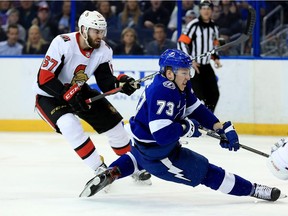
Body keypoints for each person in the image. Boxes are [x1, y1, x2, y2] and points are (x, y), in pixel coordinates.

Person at [79, 49, 283, 202]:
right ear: (169, 73)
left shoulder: (178, 85)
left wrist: (219, 126)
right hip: (160, 153)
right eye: (184, 72)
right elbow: (163, 135)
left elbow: (197, 109)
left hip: (143, 145)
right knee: (206, 171)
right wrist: (187, 128)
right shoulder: (164, 91)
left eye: (188, 71)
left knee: (138, 157)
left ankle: (113, 171)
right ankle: (253, 189)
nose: (188, 76)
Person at [33, 10, 151, 189]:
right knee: (69, 124)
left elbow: (106, 82)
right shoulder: (63, 43)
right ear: (83, 29)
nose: (100, 36)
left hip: (78, 90)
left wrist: (123, 83)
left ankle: (133, 165)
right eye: (96, 31)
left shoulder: (104, 50)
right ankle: (98, 168)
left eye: (102, 31)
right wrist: (67, 95)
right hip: (49, 96)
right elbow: (44, 78)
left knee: (116, 127)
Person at [178, 0, 222, 113]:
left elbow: (214, 44)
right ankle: (197, 120)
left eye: (208, 8)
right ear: (200, 10)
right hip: (194, 67)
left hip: (206, 65)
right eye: (203, 8)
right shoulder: (193, 25)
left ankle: (208, 117)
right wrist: (190, 61)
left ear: (211, 10)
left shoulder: (214, 27)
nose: (206, 11)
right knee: (198, 96)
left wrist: (215, 58)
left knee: (214, 94)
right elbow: (181, 42)